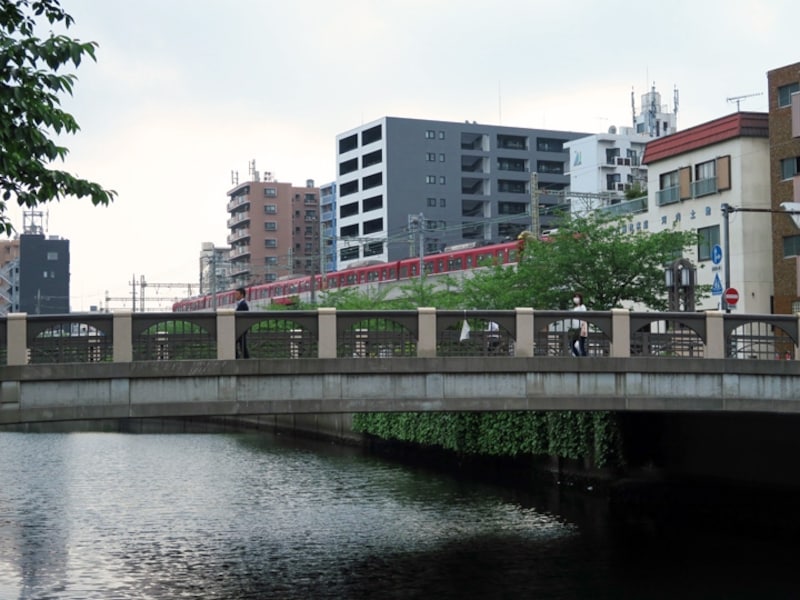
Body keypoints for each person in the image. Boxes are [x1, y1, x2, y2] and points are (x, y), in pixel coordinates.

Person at [571, 292, 588, 357]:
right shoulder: (575, 308)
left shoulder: (582, 307)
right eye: (575, 297)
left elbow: (584, 317)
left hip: (581, 328)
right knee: (571, 344)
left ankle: (584, 360)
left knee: (581, 346)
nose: (576, 299)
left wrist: (583, 329)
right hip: (575, 329)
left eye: (577, 297)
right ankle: (578, 358)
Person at [235, 287, 250, 359]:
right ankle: (245, 359)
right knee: (242, 345)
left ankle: (238, 358)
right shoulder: (241, 304)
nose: (235, 295)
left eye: (237, 294)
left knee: (240, 344)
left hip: (241, 328)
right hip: (241, 328)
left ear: (242, 295)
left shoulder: (243, 304)